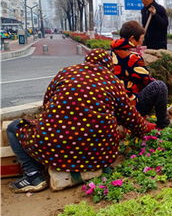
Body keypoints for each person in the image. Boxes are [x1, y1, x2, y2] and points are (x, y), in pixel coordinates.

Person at [6, 49, 155, 193]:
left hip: (54, 148)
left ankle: (33, 175)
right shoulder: (113, 83)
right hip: (100, 155)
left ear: (86, 62)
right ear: (109, 66)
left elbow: (47, 105)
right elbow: (132, 120)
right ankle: (86, 169)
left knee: (14, 127)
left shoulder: (66, 73)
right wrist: (149, 128)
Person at [111, 20, 170, 129]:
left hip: (114, 108)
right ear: (133, 39)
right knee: (159, 86)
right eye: (141, 39)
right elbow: (145, 81)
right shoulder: (133, 57)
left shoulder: (110, 54)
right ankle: (163, 124)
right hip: (129, 108)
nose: (142, 42)